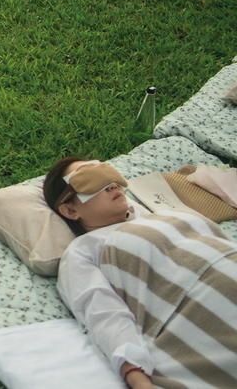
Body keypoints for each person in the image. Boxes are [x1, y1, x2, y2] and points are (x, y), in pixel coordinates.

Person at [43, 156, 237, 389]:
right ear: (70, 210)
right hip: (208, 308)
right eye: (91, 179)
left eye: (109, 173)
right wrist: (137, 377)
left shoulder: (166, 216)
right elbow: (104, 315)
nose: (112, 184)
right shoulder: (85, 249)